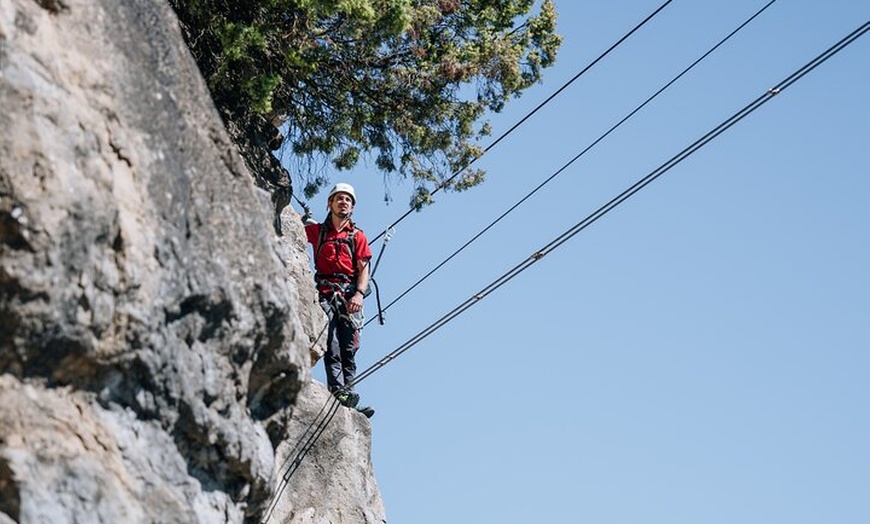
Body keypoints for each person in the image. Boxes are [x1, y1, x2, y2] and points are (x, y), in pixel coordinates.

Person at [303, 183, 373, 414]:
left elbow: (364, 269)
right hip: (325, 292)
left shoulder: (357, 236)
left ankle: (349, 392)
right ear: (330, 203)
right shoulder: (318, 232)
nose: (344, 202)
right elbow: (293, 229)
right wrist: (302, 219)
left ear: (352, 207)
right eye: (339, 198)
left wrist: (359, 295)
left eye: (348, 200)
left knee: (349, 346)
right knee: (331, 341)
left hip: (348, 294)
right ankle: (337, 390)